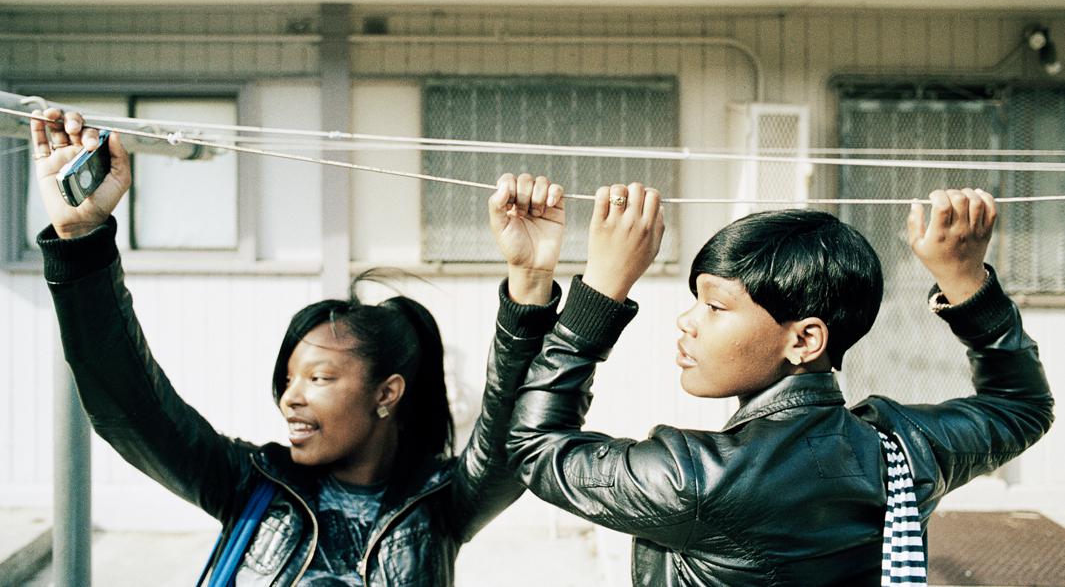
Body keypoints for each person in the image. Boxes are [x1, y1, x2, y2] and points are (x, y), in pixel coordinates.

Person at [30, 110, 565, 586]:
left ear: (388, 392)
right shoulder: (247, 483)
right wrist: (81, 239)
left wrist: (530, 282)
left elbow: (517, 431)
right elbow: (130, 407)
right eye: (289, 379)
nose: (290, 398)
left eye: (319, 378)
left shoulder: (441, 504)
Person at [501, 179, 1054, 586]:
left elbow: (534, 447)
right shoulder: (907, 449)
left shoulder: (699, 478)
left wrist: (601, 289)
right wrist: (964, 280)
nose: (687, 321)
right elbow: (1022, 405)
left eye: (716, 305)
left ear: (805, 340)